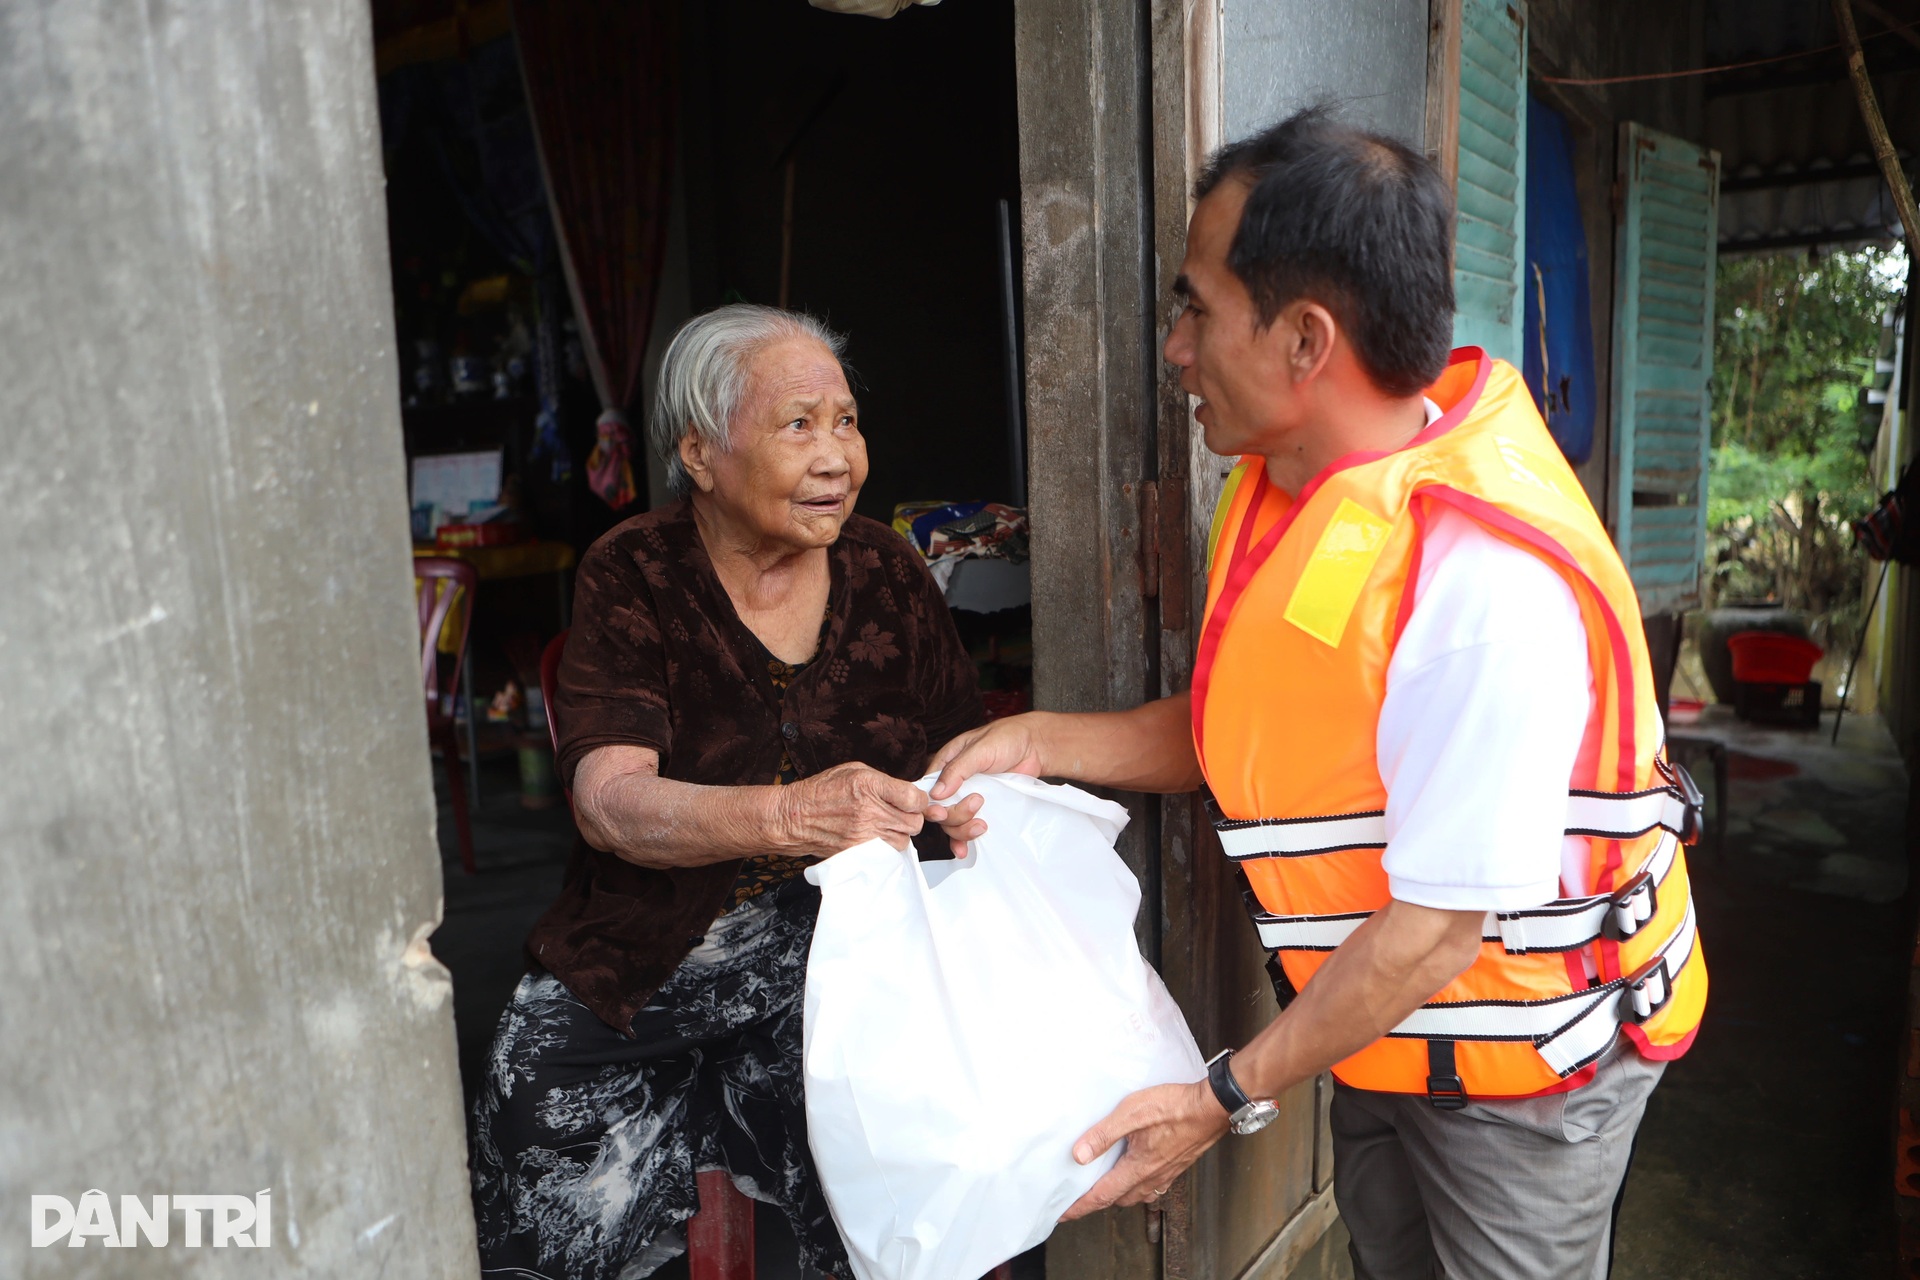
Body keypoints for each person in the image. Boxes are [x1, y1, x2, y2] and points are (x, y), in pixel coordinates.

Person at [931, 107, 1707, 1279]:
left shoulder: (1481, 587)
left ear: (1305, 339)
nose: (1175, 347)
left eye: (1195, 305)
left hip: (1524, 1076)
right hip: (1384, 1034)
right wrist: (1036, 738)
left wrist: (1223, 1093)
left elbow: (1438, 927)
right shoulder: (1303, 493)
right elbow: (1245, 739)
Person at [470, 303, 989, 1280]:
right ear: (701, 454)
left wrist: (966, 793)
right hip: (653, 943)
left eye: (846, 422)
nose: (837, 455)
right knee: (530, 1107)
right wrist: (792, 814)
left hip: (853, 951)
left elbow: (956, 750)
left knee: (903, 1139)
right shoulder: (636, 571)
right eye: (800, 425)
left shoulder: (886, 567)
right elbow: (609, 800)